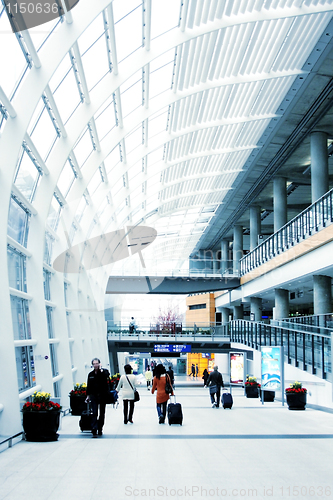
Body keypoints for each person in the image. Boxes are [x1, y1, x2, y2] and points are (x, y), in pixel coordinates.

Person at [86, 358, 110, 437]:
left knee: (102, 413)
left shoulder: (104, 372)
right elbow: (88, 386)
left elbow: (107, 376)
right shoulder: (91, 374)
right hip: (94, 396)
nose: (95, 365)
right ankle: (94, 428)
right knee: (94, 412)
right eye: (94, 364)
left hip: (103, 395)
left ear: (100, 364)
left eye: (97, 363)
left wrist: (101, 370)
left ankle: (100, 428)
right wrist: (88, 396)